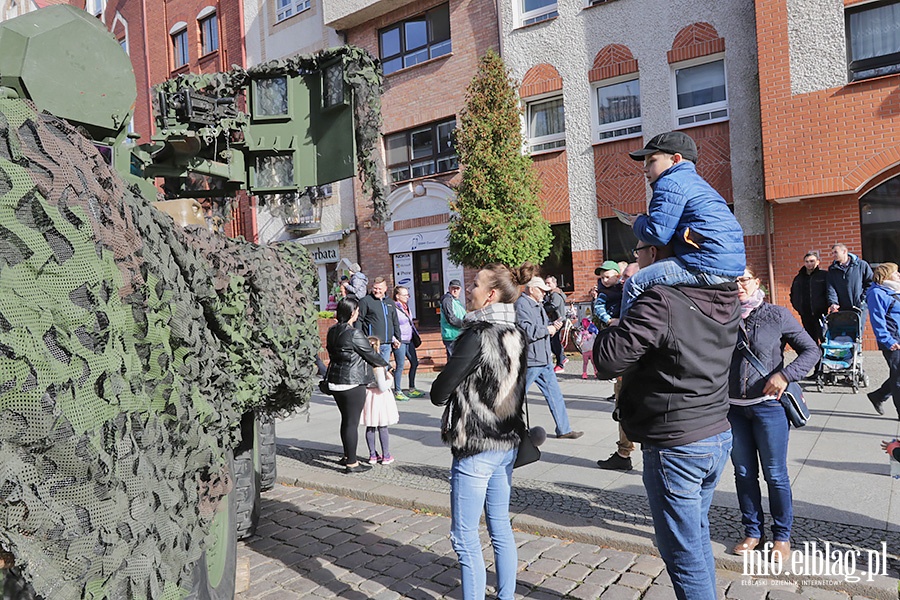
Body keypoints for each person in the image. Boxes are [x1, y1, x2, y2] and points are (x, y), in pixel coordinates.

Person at [592, 243, 740, 600]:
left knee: (683, 554)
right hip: (714, 432)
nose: (634, 257)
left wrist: (622, 310)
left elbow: (608, 361)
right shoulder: (723, 295)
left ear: (654, 253)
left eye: (638, 248)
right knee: (695, 540)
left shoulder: (659, 300)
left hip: (677, 442)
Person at [430, 264, 529, 600]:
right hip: (507, 444)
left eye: (474, 284)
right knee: (500, 527)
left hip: (476, 446)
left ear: (490, 295)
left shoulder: (477, 334)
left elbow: (439, 391)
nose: (468, 290)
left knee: (464, 536)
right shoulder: (516, 332)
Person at [728, 266, 819, 561]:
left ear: (757, 282)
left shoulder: (776, 315)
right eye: (734, 280)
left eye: (744, 279)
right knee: (743, 473)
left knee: (775, 474)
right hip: (733, 410)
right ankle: (753, 531)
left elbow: (810, 351)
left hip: (769, 408)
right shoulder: (721, 316)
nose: (739, 285)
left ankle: (782, 536)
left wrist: (785, 375)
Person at [620, 131, 745, 318]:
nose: (645, 169)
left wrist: (638, 222)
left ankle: (625, 341)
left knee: (634, 283)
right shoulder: (697, 183)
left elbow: (657, 234)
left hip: (704, 264)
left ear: (675, 159)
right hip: (728, 266)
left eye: (651, 161)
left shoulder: (669, 182)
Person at [595, 253, 653, 471]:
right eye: (624, 278)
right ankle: (623, 452)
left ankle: (646, 452)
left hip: (647, 368)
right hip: (626, 366)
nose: (624, 282)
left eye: (628, 277)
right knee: (623, 408)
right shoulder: (620, 297)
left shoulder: (649, 299)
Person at [326, 297, 390, 474]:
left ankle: (348, 456)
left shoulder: (332, 331)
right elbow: (370, 354)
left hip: (335, 381)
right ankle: (352, 463)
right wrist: (388, 366)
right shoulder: (354, 333)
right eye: (357, 310)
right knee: (351, 423)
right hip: (352, 383)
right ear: (353, 312)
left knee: (346, 421)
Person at [515, 276, 583, 440]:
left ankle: (564, 429)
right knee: (515, 397)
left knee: (555, 395)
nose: (544, 294)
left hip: (543, 359)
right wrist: (549, 329)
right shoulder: (521, 305)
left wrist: (555, 324)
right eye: (541, 291)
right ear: (531, 289)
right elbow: (527, 332)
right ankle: (505, 428)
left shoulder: (536, 304)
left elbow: (541, 327)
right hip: (531, 360)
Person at [865, 262, 900, 419]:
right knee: (898, 377)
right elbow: (877, 320)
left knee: (898, 374)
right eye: (896, 272)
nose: (899, 275)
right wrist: (887, 340)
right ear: (886, 275)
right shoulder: (877, 293)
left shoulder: (894, 290)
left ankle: (878, 395)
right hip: (893, 340)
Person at [362, 336, 399, 465]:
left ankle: (372, 455)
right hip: (379, 397)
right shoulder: (378, 364)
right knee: (382, 426)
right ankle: (386, 455)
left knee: (370, 426)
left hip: (368, 396)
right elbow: (382, 386)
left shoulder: (362, 362)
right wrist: (391, 379)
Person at [356, 276, 401, 363]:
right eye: (375, 288)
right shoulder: (365, 301)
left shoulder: (390, 302)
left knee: (383, 370)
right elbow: (359, 320)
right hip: (372, 344)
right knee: (374, 371)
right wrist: (362, 339)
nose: (377, 291)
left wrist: (397, 338)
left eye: (380, 289)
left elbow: (395, 321)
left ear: (385, 289)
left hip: (387, 343)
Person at [790, 251, 829, 344]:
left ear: (818, 262)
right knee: (811, 340)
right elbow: (793, 294)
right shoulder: (799, 278)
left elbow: (829, 292)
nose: (809, 264)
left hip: (821, 314)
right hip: (805, 314)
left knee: (824, 338)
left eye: (812, 261)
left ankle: (825, 357)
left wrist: (825, 306)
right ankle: (815, 358)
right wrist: (798, 308)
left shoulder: (824, 276)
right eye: (807, 261)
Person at [392, 286, 424, 400]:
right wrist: (393, 339)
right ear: (397, 296)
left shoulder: (406, 307)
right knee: (400, 365)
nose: (407, 297)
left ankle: (412, 388)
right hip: (399, 340)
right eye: (404, 295)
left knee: (414, 362)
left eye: (407, 295)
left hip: (409, 339)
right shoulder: (394, 308)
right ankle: (398, 391)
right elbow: (391, 325)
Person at [826, 243, 873, 315]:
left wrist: (863, 300)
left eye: (836, 252)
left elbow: (870, 283)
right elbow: (831, 288)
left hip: (859, 307)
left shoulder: (861, 265)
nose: (833, 255)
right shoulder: (832, 269)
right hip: (842, 308)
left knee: (859, 326)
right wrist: (833, 302)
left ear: (844, 251)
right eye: (832, 253)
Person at [544, 276, 568, 372]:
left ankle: (560, 363)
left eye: (549, 283)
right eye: (546, 283)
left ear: (555, 284)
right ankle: (562, 358)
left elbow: (554, 305)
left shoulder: (555, 294)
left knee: (555, 342)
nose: (546, 285)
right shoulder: (552, 293)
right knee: (553, 341)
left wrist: (543, 307)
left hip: (558, 320)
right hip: (557, 319)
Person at [590, 261, 622, 328]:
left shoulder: (622, 288)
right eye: (602, 277)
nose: (604, 280)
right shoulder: (603, 292)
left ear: (618, 277)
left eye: (608, 277)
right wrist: (608, 320)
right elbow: (599, 307)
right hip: (610, 321)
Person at [440, 279, 466, 357]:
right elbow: (451, 319)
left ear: (460, 289)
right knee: (455, 362)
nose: (455, 290)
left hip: (458, 335)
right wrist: (466, 324)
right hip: (451, 336)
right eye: (453, 288)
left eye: (457, 288)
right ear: (449, 288)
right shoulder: (447, 299)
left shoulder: (456, 301)